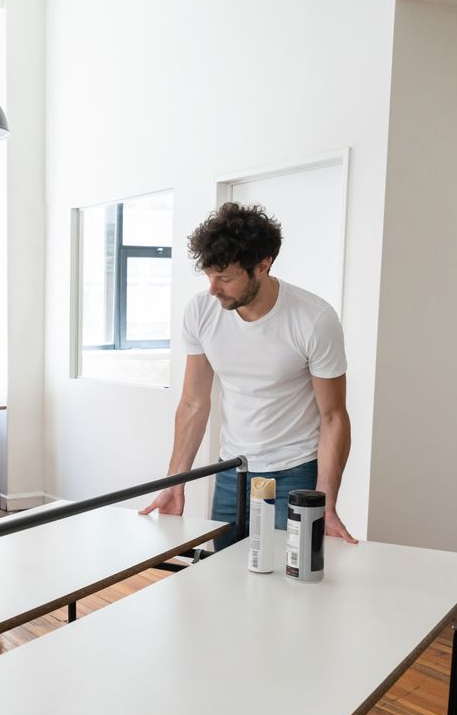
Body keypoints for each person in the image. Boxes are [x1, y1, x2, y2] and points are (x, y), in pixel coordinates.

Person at [140, 202, 357, 550]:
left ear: (263, 265)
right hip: (232, 472)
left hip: (295, 471)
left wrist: (326, 502)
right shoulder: (201, 311)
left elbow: (333, 416)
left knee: (287, 585)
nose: (213, 288)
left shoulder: (314, 319)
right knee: (224, 579)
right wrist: (174, 483)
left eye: (225, 278)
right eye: (209, 275)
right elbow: (194, 403)